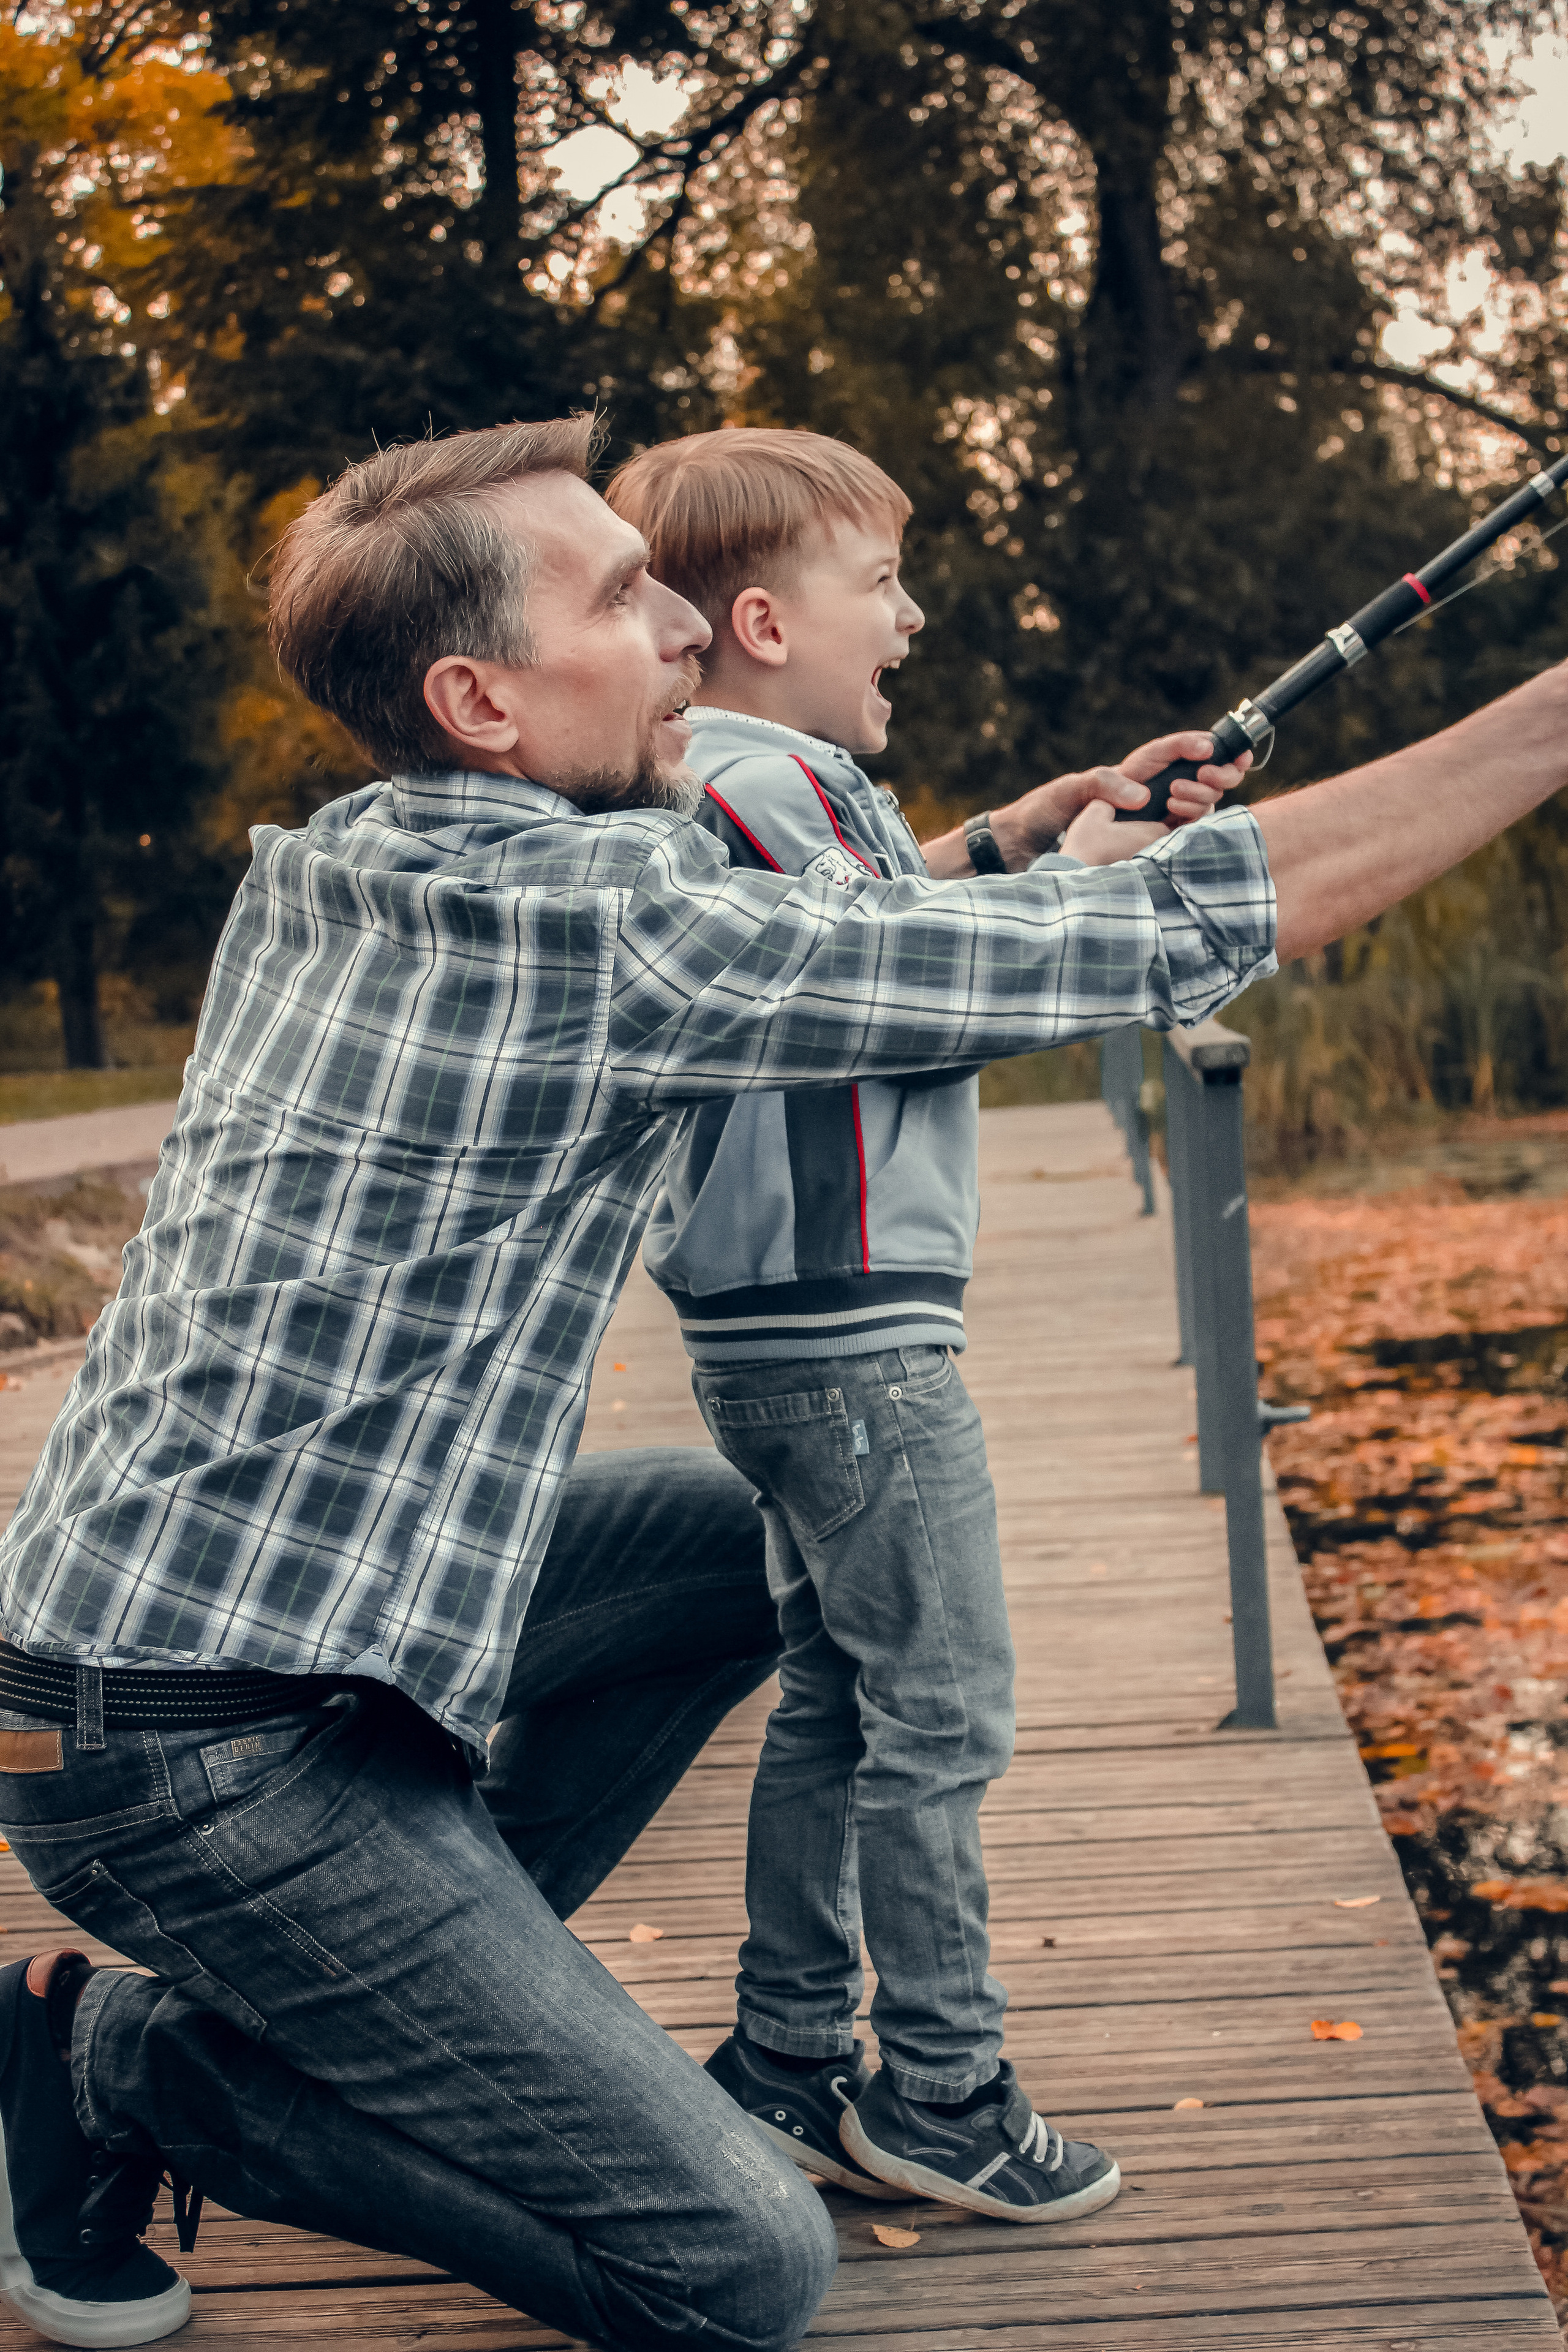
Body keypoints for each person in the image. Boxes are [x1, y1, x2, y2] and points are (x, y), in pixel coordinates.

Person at [0, 413, 1564, 2352]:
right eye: (619, 599)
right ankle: (138, 2070)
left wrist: (1000, 843)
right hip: (203, 1757)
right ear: (480, 697)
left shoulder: (363, 854)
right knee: (733, 2266)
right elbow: (1170, 930)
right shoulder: (592, 920)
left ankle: (389, 1976)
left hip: (161, 1647)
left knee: (750, 1549)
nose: (678, 629)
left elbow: (812, 930)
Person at [605, 426, 1242, 2220]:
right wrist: (1093, 884)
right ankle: (947, 2093)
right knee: (942, 1718)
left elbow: (876, 921)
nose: (913, 613)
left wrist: (1032, 828)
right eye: (877, 584)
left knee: (840, 1697)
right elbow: (920, 987)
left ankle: (795, 2060)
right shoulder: (777, 780)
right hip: (861, 1346)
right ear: (757, 619)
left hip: (771, 1340)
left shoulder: (721, 785)